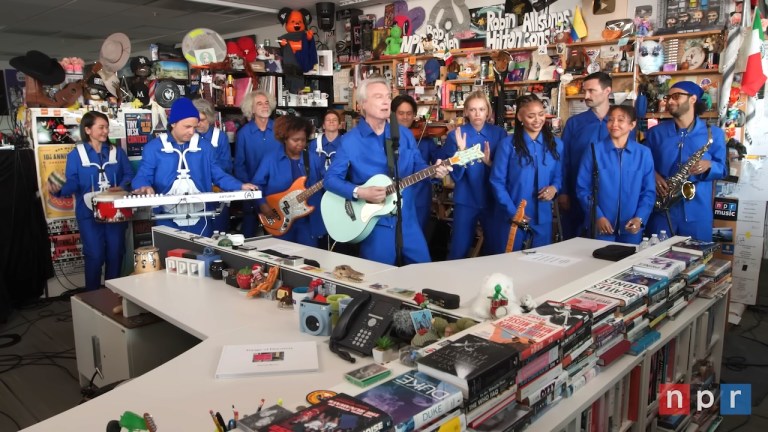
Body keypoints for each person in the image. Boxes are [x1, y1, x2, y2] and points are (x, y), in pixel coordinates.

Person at [324, 77, 451, 265]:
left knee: (424, 273)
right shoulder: (350, 141)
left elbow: (419, 167)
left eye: (388, 96)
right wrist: (360, 192)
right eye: (378, 96)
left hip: (407, 219)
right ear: (363, 104)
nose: (386, 101)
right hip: (375, 224)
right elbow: (330, 180)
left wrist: (434, 171)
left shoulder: (404, 134)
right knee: (378, 280)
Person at [132, 98, 257, 237]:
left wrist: (240, 186)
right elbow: (142, 175)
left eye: (194, 126)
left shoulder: (205, 147)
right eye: (187, 127)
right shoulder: (154, 148)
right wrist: (143, 186)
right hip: (166, 220)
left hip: (202, 219)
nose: (192, 132)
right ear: (173, 123)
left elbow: (219, 175)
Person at [49, 111, 134, 291]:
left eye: (106, 127)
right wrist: (58, 189)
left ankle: (114, 295)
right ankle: (92, 299)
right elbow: (72, 182)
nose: (105, 131)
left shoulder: (117, 152)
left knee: (115, 253)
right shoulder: (76, 155)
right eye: (101, 127)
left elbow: (129, 175)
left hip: (115, 211)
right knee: (94, 255)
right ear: (87, 129)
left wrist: (123, 186)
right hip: (87, 213)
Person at [644, 81, 726, 241]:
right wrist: (653, 175)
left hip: (698, 214)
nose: (669, 101)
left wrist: (710, 165)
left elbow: (723, 169)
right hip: (661, 211)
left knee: (698, 262)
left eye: (676, 96)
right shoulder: (655, 133)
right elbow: (642, 164)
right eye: (668, 97)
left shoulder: (714, 134)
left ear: (693, 99)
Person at [490, 94, 563, 252]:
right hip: (513, 215)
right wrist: (512, 211)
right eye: (531, 116)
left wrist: (555, 188)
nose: (537, 120)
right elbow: (497, 181)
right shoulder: (507, 145)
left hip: (543, 217)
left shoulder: (556, 144)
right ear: (520, 117)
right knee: (511, 265)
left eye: (541, 114)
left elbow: (559, 175)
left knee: (541, 262)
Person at [575, 105, 655, 244]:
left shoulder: (643, 153)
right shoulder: (594, 150)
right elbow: (583, 189)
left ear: (632, 125)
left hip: (631, 229)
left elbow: (648, 191)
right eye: (610, 120)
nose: (614, 124)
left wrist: (639, 218)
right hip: (600, 227)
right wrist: (598, 216)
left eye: (620, 120)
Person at [442, 91, 506, 259]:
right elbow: (454, 174)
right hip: (466, 199)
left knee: (495, 249)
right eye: (473, 109)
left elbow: (504, 170)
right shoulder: (454, 135)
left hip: (492, 199)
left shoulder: (499, 134)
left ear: (488, 111)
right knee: (459, 248)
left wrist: (489, 163)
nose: (477, 114)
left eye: (482, 109)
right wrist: (461, 152)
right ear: (466, 112)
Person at [252, 116, 321, 247]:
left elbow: (326, 181)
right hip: (278, 217)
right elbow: (256, 185)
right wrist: (263, 204)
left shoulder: (313, 159)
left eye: (303, 140)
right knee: (280, 257)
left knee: (309, 260)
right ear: (284, 139)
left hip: (307, 221)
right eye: (295, 140)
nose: (300, 143)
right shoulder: (270, 159)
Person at [560, 72, 612, 239]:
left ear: (607, 91)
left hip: (608, 198)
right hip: (575, 197)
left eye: (592, 91)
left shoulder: (619, 123)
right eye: (585, 91)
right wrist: (563, 192)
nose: (586, 95)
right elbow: (563, 159)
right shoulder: (574, 123)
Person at [391, 95, 447, 232]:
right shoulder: (385, 138)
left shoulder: (426, 139)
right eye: (401, 113)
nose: (405, 117)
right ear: (392, 115)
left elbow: (438, 158)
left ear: (414, 115)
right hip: (392, 196)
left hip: (420, 195)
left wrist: (450, 138)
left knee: (418, 235)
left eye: (409, 113)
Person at [234, 90, 281, 237]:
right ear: (252, 109)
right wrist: (252, 189)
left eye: (266, 103)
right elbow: (239, 166)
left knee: (279, 238)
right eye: (259, 104)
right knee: (248, 238)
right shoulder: (243, 134)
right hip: (252, 193)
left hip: (277, 193)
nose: (264, 106)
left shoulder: (280, 129)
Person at [193, 98, 233, 233]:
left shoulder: (220, 137)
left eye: (203, 120)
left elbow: (226, 165)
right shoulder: (189, 136)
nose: (199, 124)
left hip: (217, 189)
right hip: (196, 191)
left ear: (210, 118)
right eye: (196, 120)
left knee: (219, 230)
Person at [309, 110, 344, 247]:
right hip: (318, 188)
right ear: (323, 125)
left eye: (334, 120)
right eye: (328, 120)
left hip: (339, 189)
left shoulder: (345, 143)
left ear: (340, 124)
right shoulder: (314, 144)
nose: (331, 122)